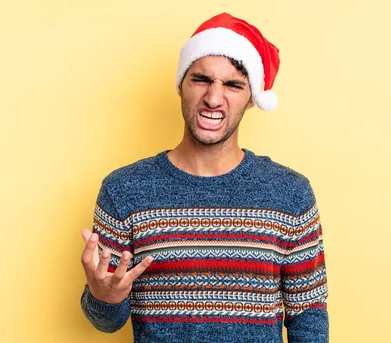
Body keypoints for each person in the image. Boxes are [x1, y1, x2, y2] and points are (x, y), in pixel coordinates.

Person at [79, 12, 329, 343]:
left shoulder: (291, 194)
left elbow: (309, 315)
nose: (213, 98)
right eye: (200, 80)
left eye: (233, 84)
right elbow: (106, 322)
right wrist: (104, 299)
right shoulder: (123, 191)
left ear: (251, 98)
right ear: (181, 84)